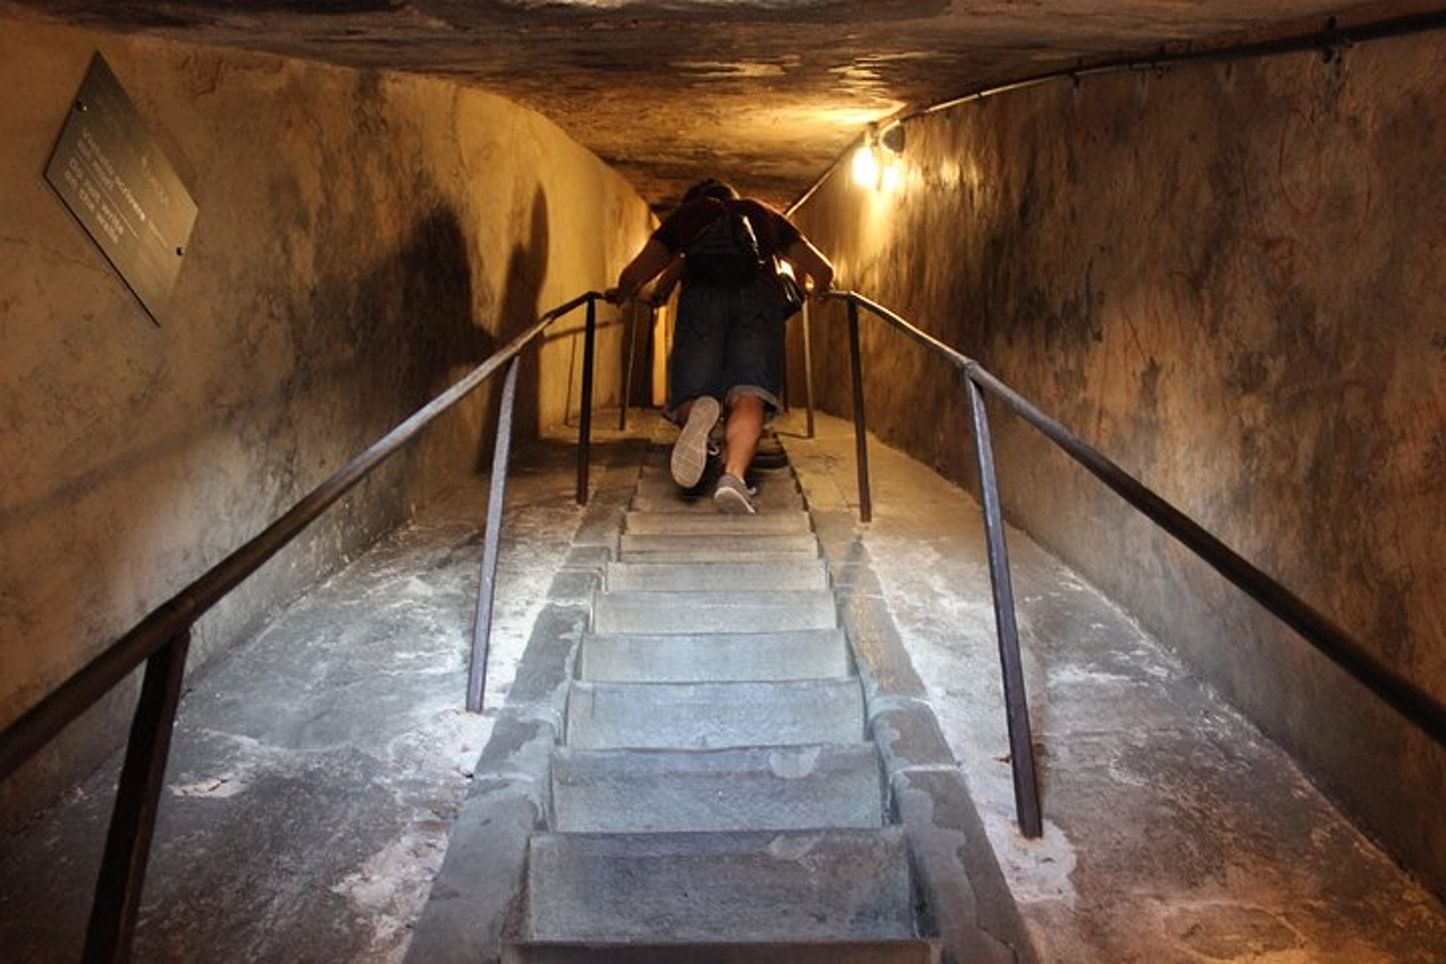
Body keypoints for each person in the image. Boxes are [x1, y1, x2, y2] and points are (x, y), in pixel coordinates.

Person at [605, 178, 834, 513]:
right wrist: (820, 290)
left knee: (692, 390)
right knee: (750, 391)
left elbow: (638, 272)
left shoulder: (688, 216)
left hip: (702, 302)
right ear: (734, 196)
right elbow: (822, 268)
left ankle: (699, 413)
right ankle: (733, 478)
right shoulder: (762, 213)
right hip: (758, 302)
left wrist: (623, 293)